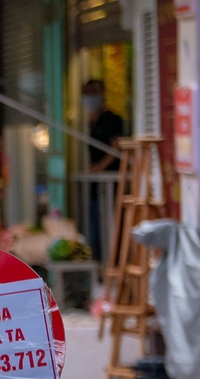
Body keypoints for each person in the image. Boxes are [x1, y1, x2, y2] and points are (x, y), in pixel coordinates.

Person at [83, 79, 124, 261]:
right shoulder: (91, 123)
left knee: (111, 228)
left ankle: (111, 263)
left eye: (93, 93)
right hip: (95, 187)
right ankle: (99, 265)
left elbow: (117, 148)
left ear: (102, 94)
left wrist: (100, 167)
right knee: (95, 231)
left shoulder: (113, 120)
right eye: (87, 93)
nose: (90, 98)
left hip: (111, 185)